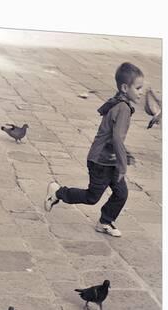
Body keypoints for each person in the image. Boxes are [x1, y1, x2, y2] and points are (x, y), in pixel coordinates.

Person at [44, 62, 144, 237]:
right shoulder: (123, 108)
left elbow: (113, 136)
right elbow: (117, 138)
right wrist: (123, 165)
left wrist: (124, 155)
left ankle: (105, 222)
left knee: (121, 193)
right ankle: (58, 192)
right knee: (92, 197)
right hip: (100, 161)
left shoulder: (118, 101)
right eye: (138, 88)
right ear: (125, 87)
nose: (141, 92)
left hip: (109, 159)